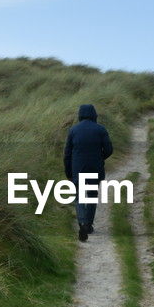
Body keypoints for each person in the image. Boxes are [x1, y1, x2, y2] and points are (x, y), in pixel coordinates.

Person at [63, 103, 113, 242]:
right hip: (95, 168)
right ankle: (88, 224)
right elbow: (109, 150)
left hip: (78, 169)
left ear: (80, 115)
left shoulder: (73, 130)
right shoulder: (101, 129)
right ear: (94, 115)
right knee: (91, 195)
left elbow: (67, 154)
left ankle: (81, 223)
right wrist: (100, 158)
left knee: (79, 196)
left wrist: (68, 172)